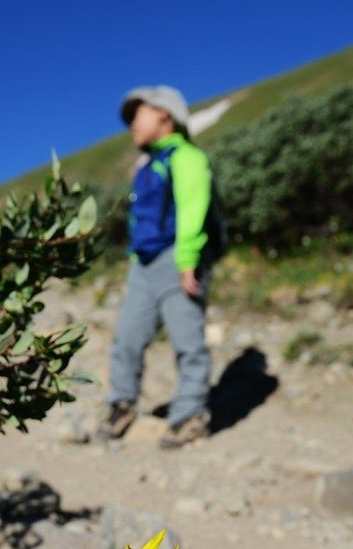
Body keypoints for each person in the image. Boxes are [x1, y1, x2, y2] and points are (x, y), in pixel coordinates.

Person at [97, 85, 218, 449]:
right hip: (145, 265)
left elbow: (193, 207)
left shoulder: (186, 157)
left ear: (164, 115)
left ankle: (190, 414)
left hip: (178, 259)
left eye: (138, 113)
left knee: (187, 339)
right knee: (127, 338)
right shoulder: (148, 164)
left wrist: (188, 260)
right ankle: (121, 403)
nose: (132, 123)